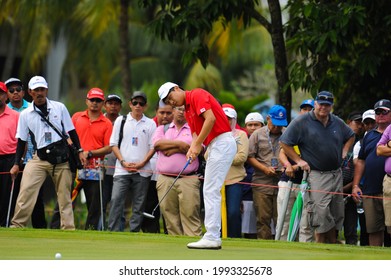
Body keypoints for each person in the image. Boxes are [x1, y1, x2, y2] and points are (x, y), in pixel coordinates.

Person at [158, 82, 236, 249]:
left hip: (222, 141)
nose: (171, 102)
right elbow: (195, 133)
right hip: (215, 145)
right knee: (210, 189)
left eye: (170, 97)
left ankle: (213, 236)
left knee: (210, 189)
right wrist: (193, 149)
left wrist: (197, 144)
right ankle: (212, 235)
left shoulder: (197, 94)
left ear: (177, 89)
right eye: (167, 101)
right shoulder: (187, 109)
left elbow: (210, 119)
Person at [10, 76, 85, 229]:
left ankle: (68, 228)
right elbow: (21, 141)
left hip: (61, 159)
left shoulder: (59, 107)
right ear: (30, 92)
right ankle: (17, 225)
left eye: (42, 89)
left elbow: (72, 131)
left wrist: (80, 151)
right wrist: (16, 164)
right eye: (36, 90)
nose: (39, 93)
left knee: (64, 196)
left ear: (47, 90)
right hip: (39, 158)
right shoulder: (25, 114)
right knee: (26, 192)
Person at [280, 91, 355, 243]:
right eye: (321, 104)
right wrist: (298, 161)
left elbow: (351, 135)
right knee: (320, 212)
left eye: (327, 105)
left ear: (331, 106)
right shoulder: (301, 121)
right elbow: (284, 142)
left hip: (336, 173)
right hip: (316, 174)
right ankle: (319, 245)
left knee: (336, 211)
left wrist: (345, 151)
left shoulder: (336, 121)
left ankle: (332, 245)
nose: (323, 108)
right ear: (315, 104)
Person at [108, 91, 156, 232]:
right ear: (130, 104)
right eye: (135, 103)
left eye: (141, 103)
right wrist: (123, 162)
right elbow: (113, 144)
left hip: (142, 171)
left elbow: (153, 147)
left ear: (145, 106)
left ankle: (133, 232)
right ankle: (113, 232)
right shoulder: (121, 120)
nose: (138, 106)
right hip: (122, 169)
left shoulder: (150, 123)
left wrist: (142, 163)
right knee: (116, 201)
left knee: (138, 205)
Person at [5, 77, 48, 229]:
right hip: (15, 161)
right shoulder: (5, 111)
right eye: (11, 90)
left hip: (35, 158)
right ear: (7, 94)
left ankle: (40, 228)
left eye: (18, 90)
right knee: (15, 195)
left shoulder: (33, 107)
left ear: (24, 92)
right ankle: (11, 226)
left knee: (36, 196)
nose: (15, 93)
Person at [153, 105, 202, 236]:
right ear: (173, 111)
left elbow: (196, 148)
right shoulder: (162, 128)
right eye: (178, 109)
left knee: (190, 213)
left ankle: (194, 246)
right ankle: (175, 249)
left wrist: (172, 148)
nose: (181, 112)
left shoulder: (195, 129)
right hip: (165, 179)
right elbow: (158, 145)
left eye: (184, 110)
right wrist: (181, 145)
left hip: (188, 178)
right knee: (169, 216)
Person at [71, 88, 113, 230]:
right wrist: (78, 152)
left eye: (98, 101)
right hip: (76, 167)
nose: (94, 103)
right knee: (67, 200)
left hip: (95, 168)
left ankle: (91, 231)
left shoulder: (107, 123)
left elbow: (109, 148)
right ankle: (60, 228)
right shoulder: (77, 117)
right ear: (86, 101)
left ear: (103, 104)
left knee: (94, 205)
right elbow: (68, 138)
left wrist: (90, 153)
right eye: (92, 100)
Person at [352, 99, 391, 246]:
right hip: (371, 188)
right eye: (378, 112)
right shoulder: (369, 136)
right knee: (373, 229)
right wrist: (356, 185)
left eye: (384, 112)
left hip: (389, 186)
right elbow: (361, 161)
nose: (380, 115)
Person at [276, 99, 314, 242]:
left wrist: (296, 166)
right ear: (300, 111)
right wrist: (288, 165)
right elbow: (282, 151)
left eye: (310, 109)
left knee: (305, 222)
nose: (306, 111)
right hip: (288, 180)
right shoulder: (294, 128)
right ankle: (280, 250)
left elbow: (315, 158)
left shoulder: (319, 131)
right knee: (283, 219)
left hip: (307, 182)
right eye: (304, 109)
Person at [247, 105, 287, 240]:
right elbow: (249, 157)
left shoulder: (287, 133)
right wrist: (264, 169)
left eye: (280, 125)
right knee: (263, 219)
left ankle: (282, 248)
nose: (277, 127)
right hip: (262, 182)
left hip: (282, 181)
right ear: (268, 119)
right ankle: (264, 246)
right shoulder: (257, 135)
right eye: (275, 124)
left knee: (281, 218)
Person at [141, 102, 173, 233]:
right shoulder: (149, 125)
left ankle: (169, 233)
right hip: (149, 174)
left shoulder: (175, 127)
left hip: (167, 175)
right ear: (156, 112)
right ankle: (151, 234)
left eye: (168, 113)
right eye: (162, 113)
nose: (165, 116)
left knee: (168, 208)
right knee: (149, 206)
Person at [221, 104, 248, 238]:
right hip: (217, 181)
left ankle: (234, 239)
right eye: (224, 118)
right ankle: (216, 238)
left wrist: (221, 158)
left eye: (229, 118)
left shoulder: (241, 135)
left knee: (233, 212)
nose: (227, 121)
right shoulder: (215, 134)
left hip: (235, 180)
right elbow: (208, 155)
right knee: (217, 213)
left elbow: (242, 157)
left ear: (234, 119)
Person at [341, 111, 364, 245]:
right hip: (334, 189)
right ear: (348, 122)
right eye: (357, 122)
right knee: (332, 227)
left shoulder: (362, 142)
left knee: (351, 229)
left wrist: (348, 187)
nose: (360, 126)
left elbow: (361, 170)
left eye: (362, 124)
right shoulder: (339, 140)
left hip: (351, 191)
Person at [0, 82, 20, 227]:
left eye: (1, 93)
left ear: (6, 96)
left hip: (9, 158)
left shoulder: (15, 116)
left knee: (6, 194)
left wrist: (17, 162)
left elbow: (22, 141)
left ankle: (3, 225)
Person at [101, 94, 122, 229]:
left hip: (119, 169)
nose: (113, 106)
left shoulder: (124, 121)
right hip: (102, 169)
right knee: (101, 203)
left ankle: (118, 231)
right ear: (105, 105)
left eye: (116, 103)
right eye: (110, 103)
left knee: (118, 202)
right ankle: (99, 230)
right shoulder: (100, 120)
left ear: (120, 106)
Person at [241, 112, 264, 239]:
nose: (253, 127)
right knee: (248, 226)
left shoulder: (268, 140)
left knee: (264, 218)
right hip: (246, 187)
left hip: (264, 184)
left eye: (256, 124)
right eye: (250, 125)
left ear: (262, 125)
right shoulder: (241, 140)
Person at [376, 107, 391, 238]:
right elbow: (379, 150)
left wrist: (389, 146)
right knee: (390, 224)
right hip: (389, 181)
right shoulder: (390, 128)